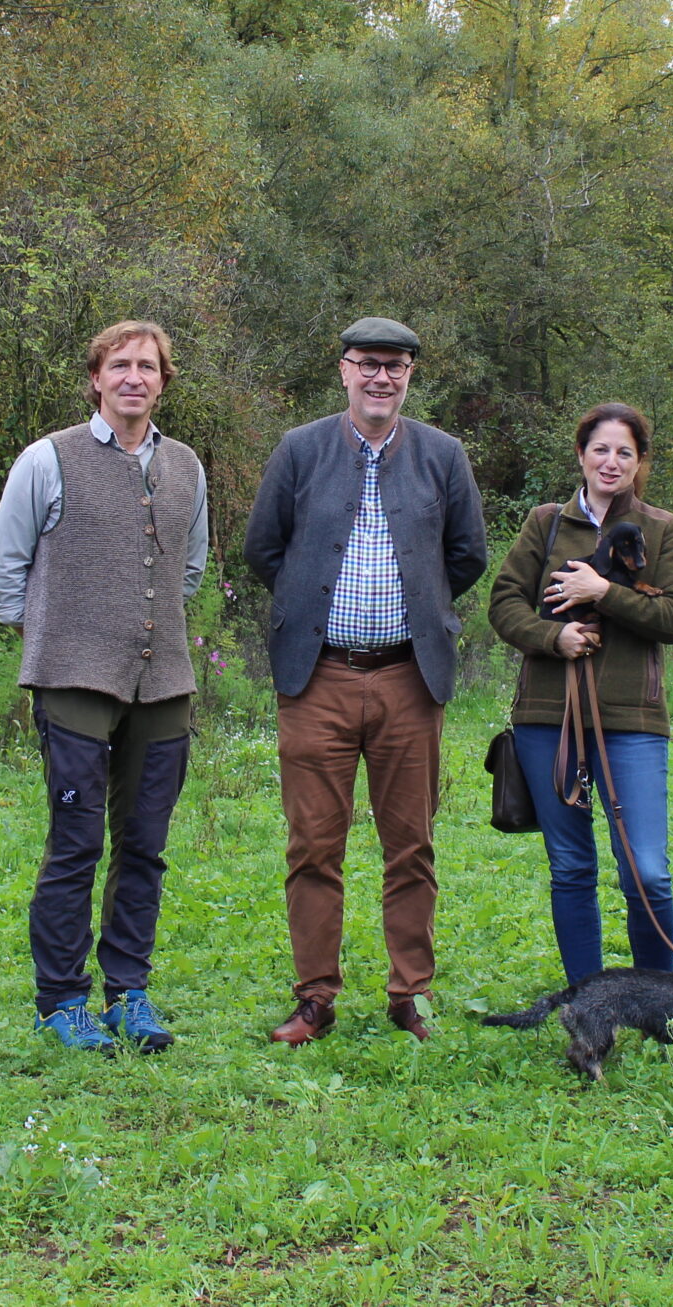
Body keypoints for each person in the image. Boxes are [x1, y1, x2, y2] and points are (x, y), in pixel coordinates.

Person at [243, 316, 489, 1044]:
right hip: (316, 677)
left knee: (411, 844)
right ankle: (315, 997)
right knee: (313, 845)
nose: (381, 377)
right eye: (368, 363)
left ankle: (410, 993)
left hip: (408, 679)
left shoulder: (444, 455)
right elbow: (263, 549)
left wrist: (421, 607)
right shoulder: (300, 450)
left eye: (396, 366)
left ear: (410, 375)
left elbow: (467, 555)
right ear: (344, 369)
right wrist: (309, 605)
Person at [0, 321, 209, 1054]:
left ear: (163, 382)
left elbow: (190, 570)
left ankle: (128, 994)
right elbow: (3, 574)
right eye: (119, 365)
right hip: (73, 681)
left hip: (163, 682)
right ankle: (60, 1001)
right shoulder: (48, 458)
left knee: (144, 846)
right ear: (96, 379)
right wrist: (56, 636)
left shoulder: (186, 466)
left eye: (147, 366)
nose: (133, 377)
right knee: (75, 843)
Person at [486, 404, 673, 985]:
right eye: (600, 449)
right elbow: (504, 603)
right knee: (572, 866)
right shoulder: (545, 523)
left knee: (647, 871)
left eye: (625, 452)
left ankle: (657, 1001)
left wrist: (602, 591)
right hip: (547, 719)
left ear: (639, 461)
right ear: (581, 454)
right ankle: (587, 1001)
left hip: (632, 723)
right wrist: (553, 637)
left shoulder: (663, 528)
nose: (611, 462)